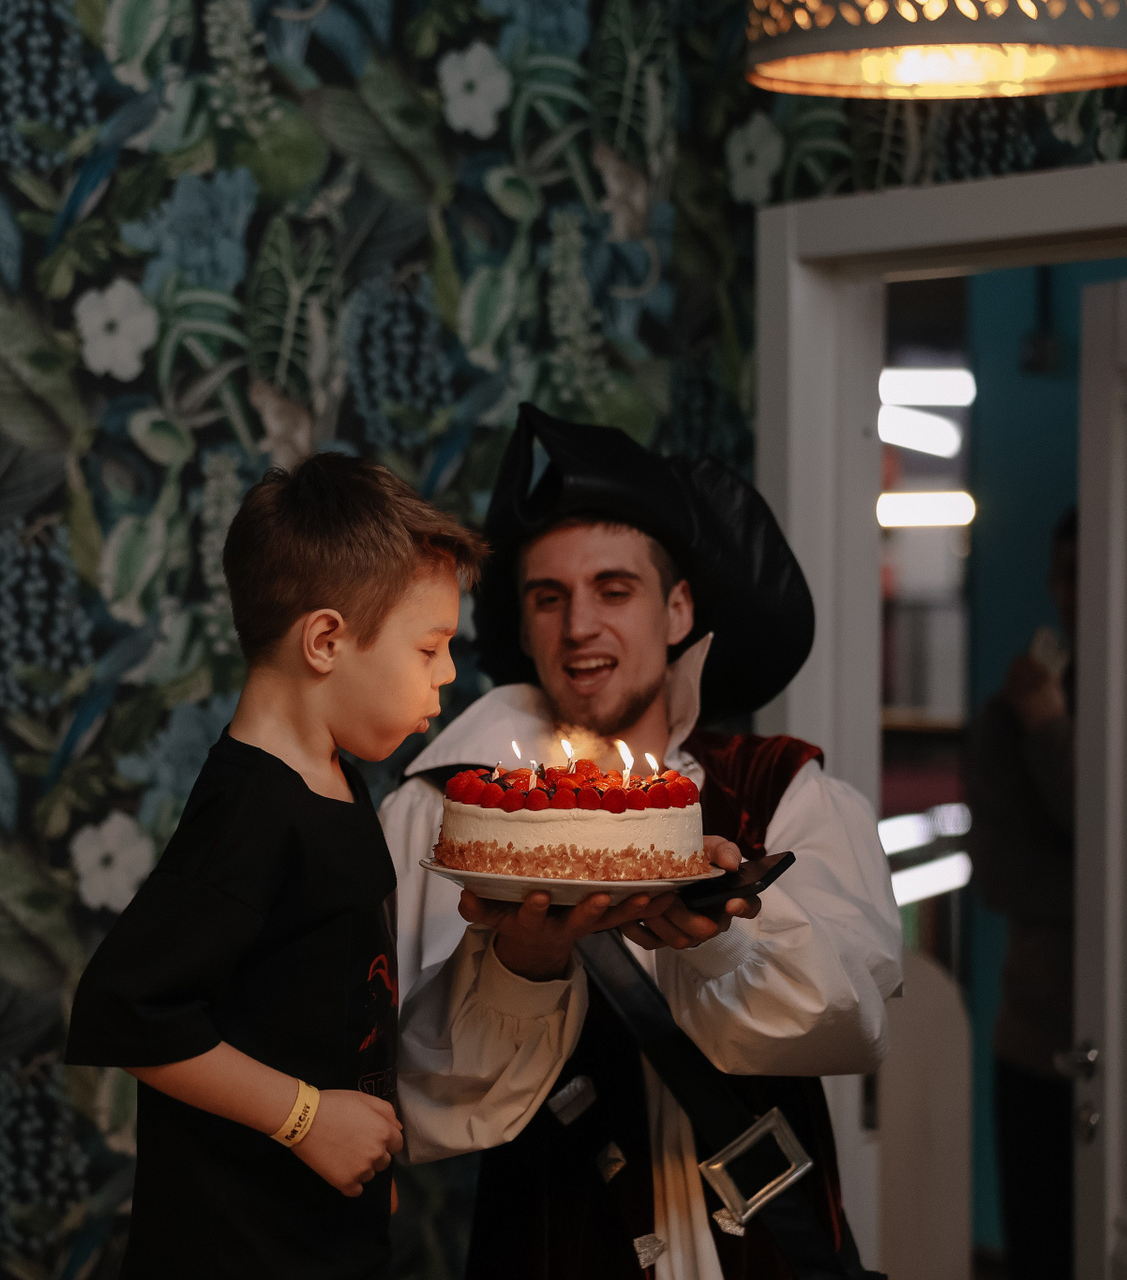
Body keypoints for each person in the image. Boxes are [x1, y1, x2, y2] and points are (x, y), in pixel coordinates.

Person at [65, 452, 705, 1279]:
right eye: (429, 648)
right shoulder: (250, 812)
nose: (448, 675)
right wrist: (306, 1119)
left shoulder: (338, 779)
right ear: (326, 641)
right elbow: (124, 1009)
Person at [386, 406, 904, 1279]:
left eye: (614, 589)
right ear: (523, 626)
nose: (579, 626)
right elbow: (419, 1096)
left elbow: (856, 1022)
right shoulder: (452, 814)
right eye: (548, 598)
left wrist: (723, 941)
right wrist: (517, 970)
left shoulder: (784, 791)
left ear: (678, 609)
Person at [966, 506, 1078, 1280]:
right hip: (1035, 1037)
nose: (1079, 591)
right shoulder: (1013, 711)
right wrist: (1033, 723)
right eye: (1067, 574)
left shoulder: (1053, 718)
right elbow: (999, 876)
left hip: (1101, 1031)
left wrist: (1055, 733)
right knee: (1039, 1250)